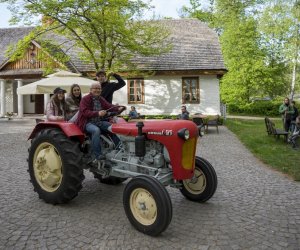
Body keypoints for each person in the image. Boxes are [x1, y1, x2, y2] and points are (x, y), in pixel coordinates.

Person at [75, 82, 124, 164]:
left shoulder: (100, 99)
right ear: (91, 90)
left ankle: (120, 150)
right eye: (95, 88)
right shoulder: (85, 99)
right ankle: (98, 155)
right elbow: (85, 112)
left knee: (113, 128)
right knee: (96, 130)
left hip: (98, 121)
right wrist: (97, 113)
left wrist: (118, 108)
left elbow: (109, 106)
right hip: (87, 122)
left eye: (99, 88)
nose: (97, 90)